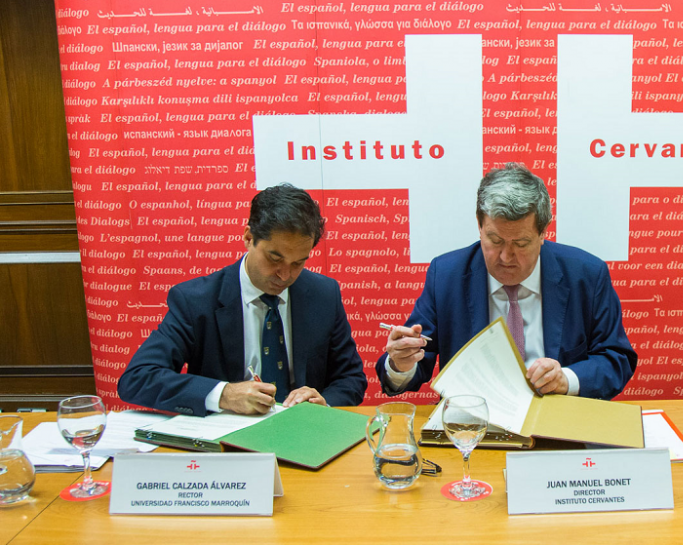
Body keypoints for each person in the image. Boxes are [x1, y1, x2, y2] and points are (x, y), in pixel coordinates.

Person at [376, 163, 637, 400]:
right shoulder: (446, 275)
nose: (506, 257)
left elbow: (617, 359)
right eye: (495, 240)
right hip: (473, 421)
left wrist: (565, 379)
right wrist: (401, 363)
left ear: (543, 232)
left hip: (557, 418)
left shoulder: (586, 275)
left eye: (521, 243)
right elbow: (412, 364)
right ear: (479, 226)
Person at [118, 184, 367, 415]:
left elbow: (350, 377)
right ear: (249, 238)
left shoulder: (324, 294)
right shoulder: (196, 300)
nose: (285, 275)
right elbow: (138, 378)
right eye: (274, 259)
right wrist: (224, 394)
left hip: (304, 434)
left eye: (298, 263)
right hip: (226, 437)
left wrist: (323, 405)